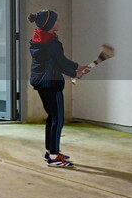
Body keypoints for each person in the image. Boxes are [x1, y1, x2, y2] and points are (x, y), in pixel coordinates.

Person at [28, 9, 90, 167]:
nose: (59, 22)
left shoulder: (40, 38)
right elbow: (60, 63)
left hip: (40, 82)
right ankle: (54, 157)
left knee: (52, 117)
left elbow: (58, 59)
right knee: (58, 118)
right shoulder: (51, 43)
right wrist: (74, 74)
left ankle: (50, 151)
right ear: (49, 24)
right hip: (51, 84)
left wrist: (76, 67)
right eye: (56, 20)